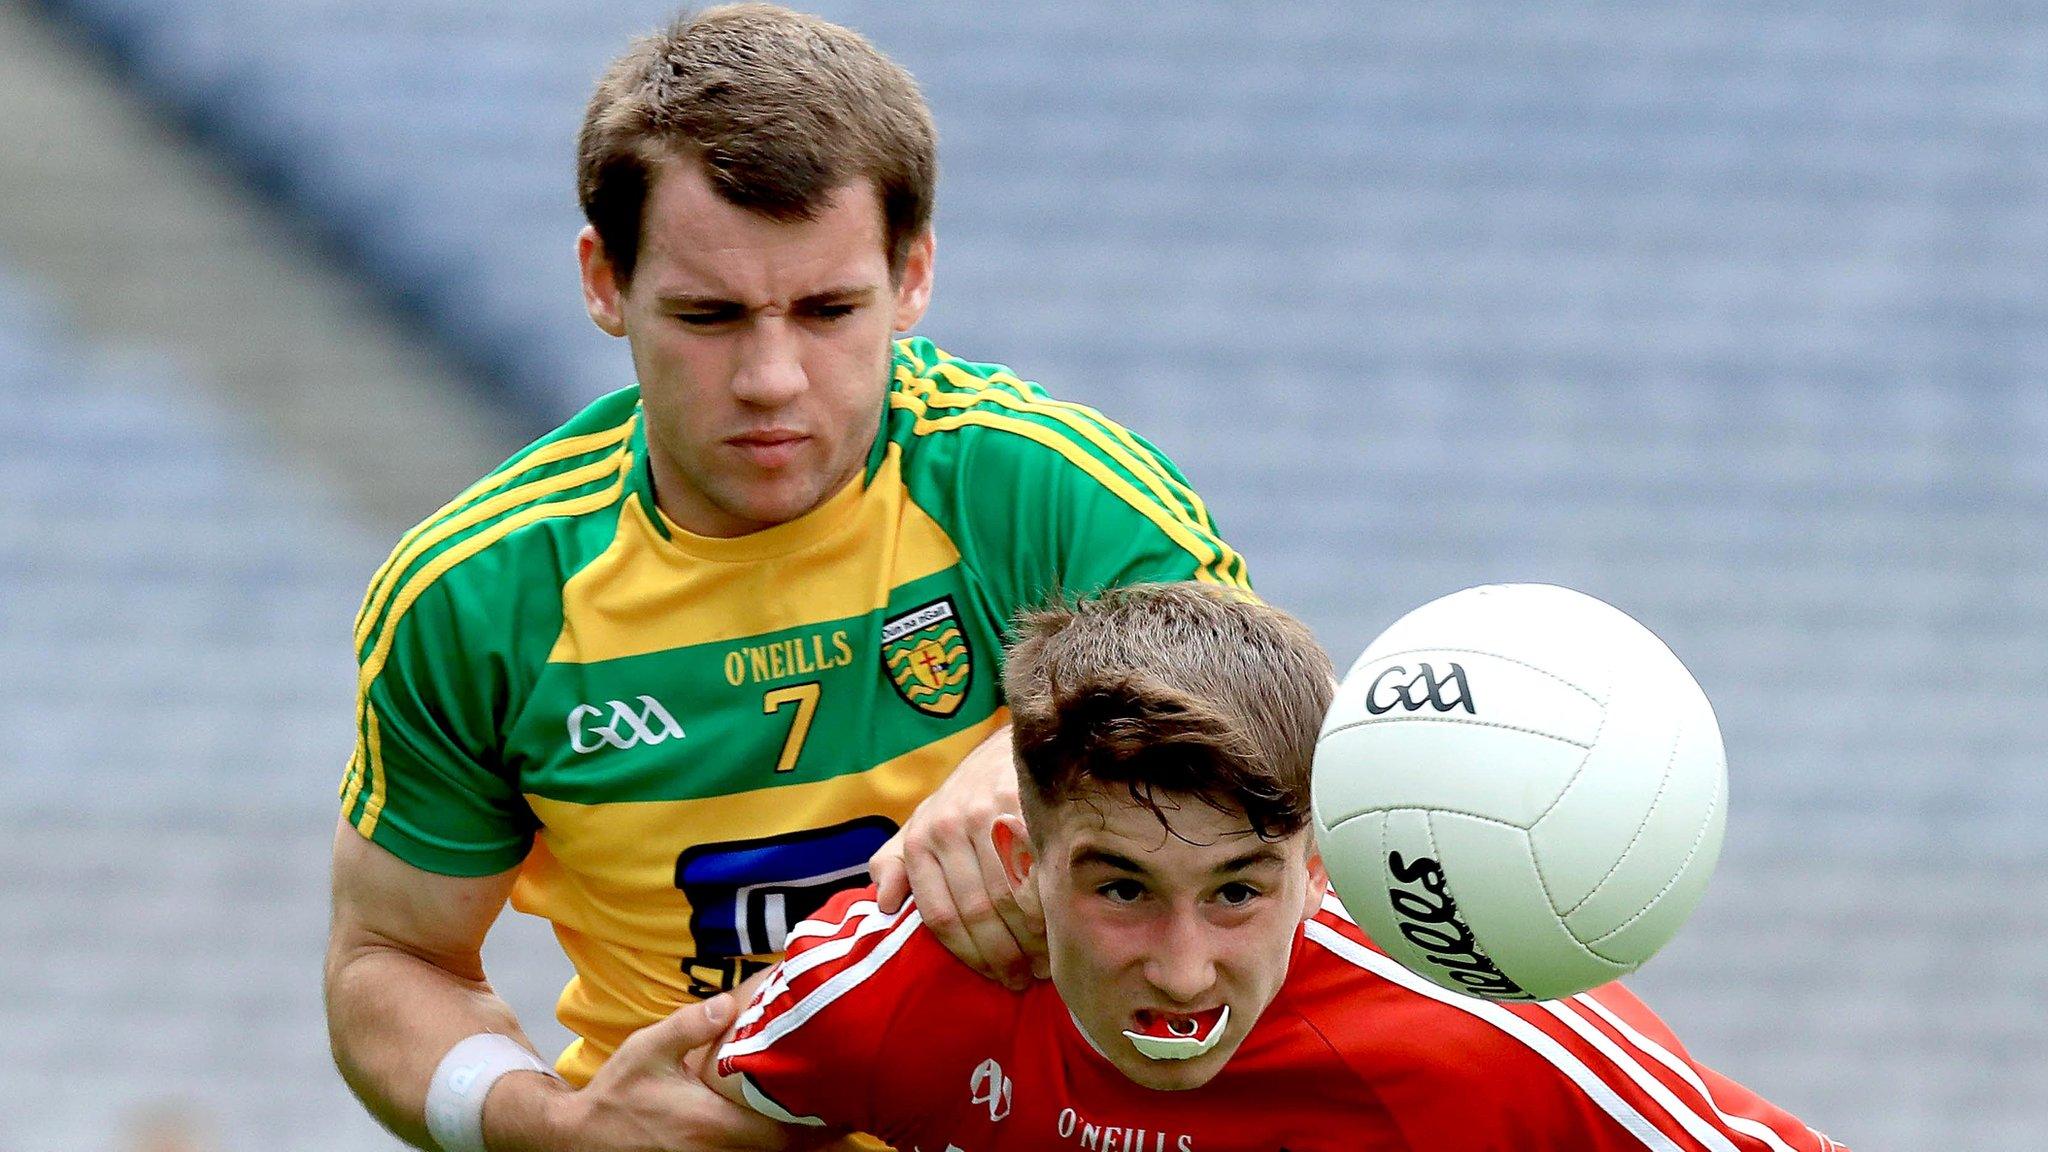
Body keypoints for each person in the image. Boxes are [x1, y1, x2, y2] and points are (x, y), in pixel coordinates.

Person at [322, 5, 1250, 1151]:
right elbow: (390, 959)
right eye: (707, 317)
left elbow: (1267, 735)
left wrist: (1031, 759)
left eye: (826, 312)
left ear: (910, 278)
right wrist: (545, 1126)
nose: (769, 378)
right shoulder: (474, 597)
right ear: (603, 280)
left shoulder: (1044, 492)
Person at [705, 582, 1849, 1152]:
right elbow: (675, 1101)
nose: (1185, 970)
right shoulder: (886, 991)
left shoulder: (1496, 1038)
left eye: (1238, 891)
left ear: (1320, 868)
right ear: (1023, 856)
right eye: (1120, 891)